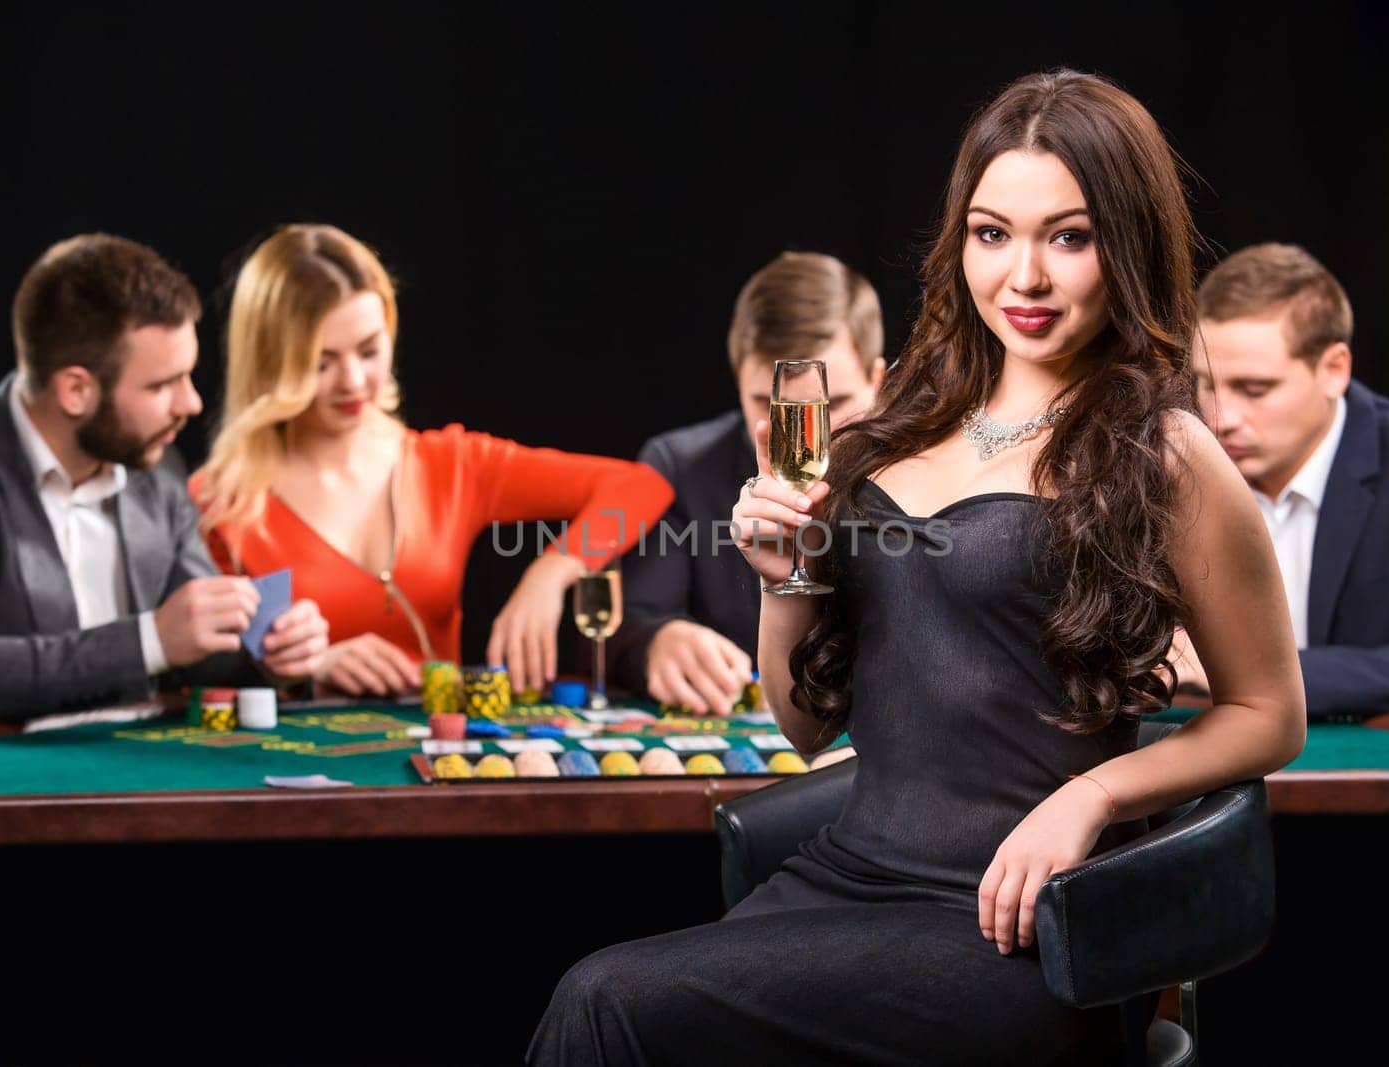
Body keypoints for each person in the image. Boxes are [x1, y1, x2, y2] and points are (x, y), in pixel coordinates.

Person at [530, 70, 1306, 1064]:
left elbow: (1266, 712)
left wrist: (1092, 795)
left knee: (602, 1001)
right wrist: (784, 578)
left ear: (1127, 243)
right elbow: (807, 724)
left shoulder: (1167, 452)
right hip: (843, 879)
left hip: (1008, 923)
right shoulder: (893, 431)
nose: (1021, 276)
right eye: (992, 233)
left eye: (1066, 237)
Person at [192, 225, 673, 698]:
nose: (354, 381)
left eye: (369, 350)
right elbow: (208, 673)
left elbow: (640, 487)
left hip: (437, 760)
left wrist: (554, 568)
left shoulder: (452, 464)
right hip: (287, 765)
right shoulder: (218, 503)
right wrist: (305, 670)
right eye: (321, 362)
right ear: (270, 361)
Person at [0, 234, 329, 724]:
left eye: (188, 376)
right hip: (6, 788)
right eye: (162, 385)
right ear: (76, 390)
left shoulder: (153, 467)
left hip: (143, 778)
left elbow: (198, 650)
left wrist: (271, 654)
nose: (191, 404)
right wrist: (150, 639)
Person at [1182, 243, 1389, 718]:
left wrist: (1248, 676)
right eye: (1207, 383)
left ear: (1334, 369)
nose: (1220, 417)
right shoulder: (1173, 460)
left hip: (1372, 779)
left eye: (1255, 389)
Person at [608, 251, 886, 713]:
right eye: (772, 407)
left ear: (879, 380)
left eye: (831, 405)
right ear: (738, 379)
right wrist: (656, 641)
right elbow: (629, 620)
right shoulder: (679, 466)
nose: (800, 441)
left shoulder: (934, 469)